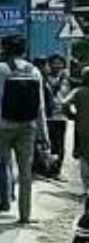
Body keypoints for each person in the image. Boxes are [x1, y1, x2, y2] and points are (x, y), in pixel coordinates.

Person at [0, 35, 49, 227]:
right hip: (28, 126)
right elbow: (40, 105)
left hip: (3, 125)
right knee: (25, 171)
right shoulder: (34, 71)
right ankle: (25, 215)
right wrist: (44, 135)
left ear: (5, 49)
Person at [62, 67, 89, 197]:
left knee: (84, 157)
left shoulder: (78, 91)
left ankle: (86, 188)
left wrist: (72, 116)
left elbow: (64, 104)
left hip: (83, 129)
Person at [44, 53, 70, 176]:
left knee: (59, 144)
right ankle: (46, 168)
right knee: (47, 143)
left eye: (59, 63)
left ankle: (57, 170)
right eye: (54, 63)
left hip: (61, 117)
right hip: (47, 117)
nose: (57, 65)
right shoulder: (44, 79)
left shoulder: (66, 80)